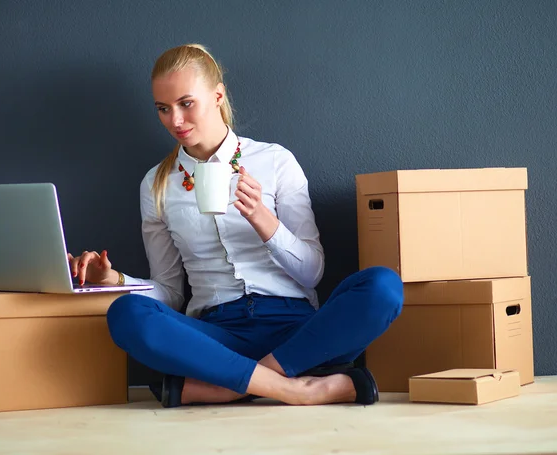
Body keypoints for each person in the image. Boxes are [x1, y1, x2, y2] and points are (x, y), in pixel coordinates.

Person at [67, 43, 403, 408]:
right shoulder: (156, 184)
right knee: (127, 314)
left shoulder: (274, 161)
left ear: (217, 95)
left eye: (186, 103)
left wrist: (264, 220)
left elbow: (312, 273)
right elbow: (170, 292)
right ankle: (295, 388)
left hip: (299, 330)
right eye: (163, 109)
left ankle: (229, 386)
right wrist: (113, 282)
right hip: (218, 335)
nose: (174, 121)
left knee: (382, 286)